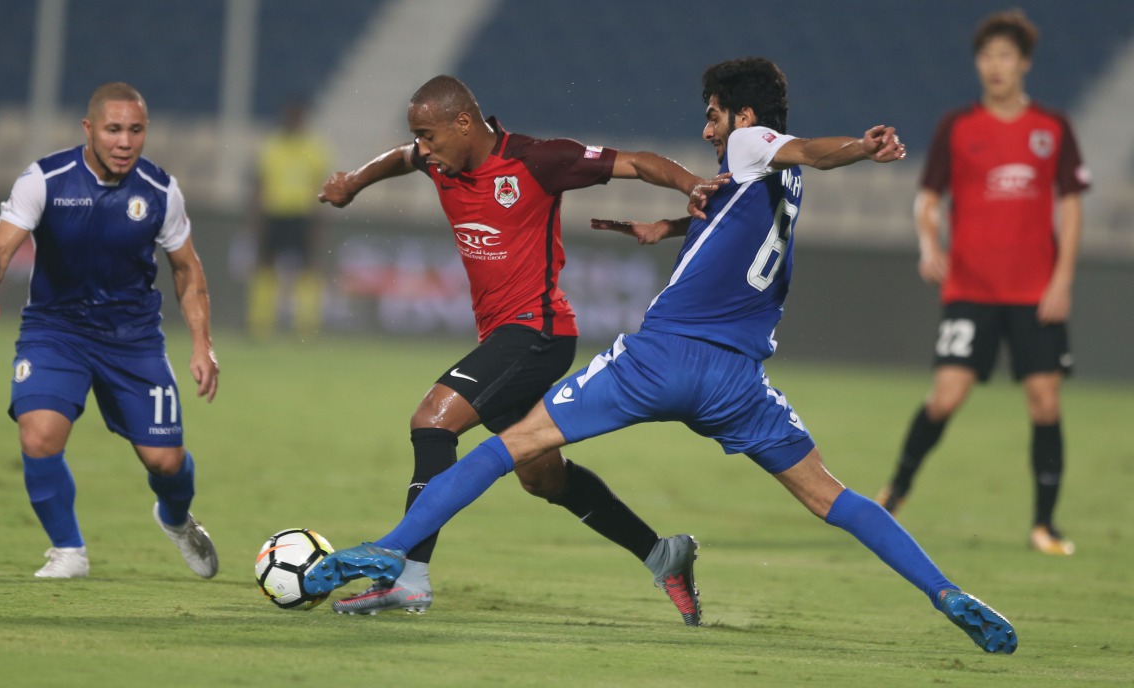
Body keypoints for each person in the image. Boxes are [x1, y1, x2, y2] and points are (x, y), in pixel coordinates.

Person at [305, 58, 1019, 654]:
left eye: (712, 115)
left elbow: (804, 150)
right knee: (832, 495)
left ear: (742, 118)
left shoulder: (753, 144)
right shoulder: (773, 185)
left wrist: (860, 149)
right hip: (739, 380)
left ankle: (393, 552)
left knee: (502, 448)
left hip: (660, 357)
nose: (707, 130)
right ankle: (945, 591)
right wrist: (673, 224)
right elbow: (743, 214)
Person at [315, 75, 721, 623]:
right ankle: (662, 554)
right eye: (420, 138)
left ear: (464, 123)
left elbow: (640, 162)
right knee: (543, 476)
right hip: (505, 337)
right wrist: (354, 183)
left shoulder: (538, 161)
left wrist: (694, 185)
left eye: (429, 136)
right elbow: (403, 158)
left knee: (432, 422)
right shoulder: (439, 158)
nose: (425, 149)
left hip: (539, 333)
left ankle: (408, 576)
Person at [0, 82, 220, 580]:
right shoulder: (45, 180)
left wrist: (202, 344)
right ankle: (68, 551)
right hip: (55, 330)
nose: (125, 141)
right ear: (89, 130)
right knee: (39, 435)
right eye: (113, 129)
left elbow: (188, 271)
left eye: (136, 129)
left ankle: (175, 518)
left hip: (133, 338)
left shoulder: (160, 191)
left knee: (166, 462)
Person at [876, 9, 1089, 556]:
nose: (995, 66)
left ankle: (1045, 524)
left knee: (1045, 402)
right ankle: (893, 494)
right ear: (978, 63)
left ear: (1024, 64)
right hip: (970, 290)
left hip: (1035, 291)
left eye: (1005, 56)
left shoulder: (1052, 129)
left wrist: (1063, 279)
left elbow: (1070, 208)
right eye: (987, 55)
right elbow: (928, 200)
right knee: (946, 396)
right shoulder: (958, 127)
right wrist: (930, 244)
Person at [247, 101, 330, 338]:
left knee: (307, 269)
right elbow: (260, 184)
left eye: (298, 117)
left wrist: (320, 221)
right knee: (265, 267)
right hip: (274, 213)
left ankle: (306, 325)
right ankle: (260, 325)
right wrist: (256, 219)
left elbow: (321, 186)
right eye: (291, 116)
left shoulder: (315, 148)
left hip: (303, 214)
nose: (294, 121)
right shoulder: (272, 146)